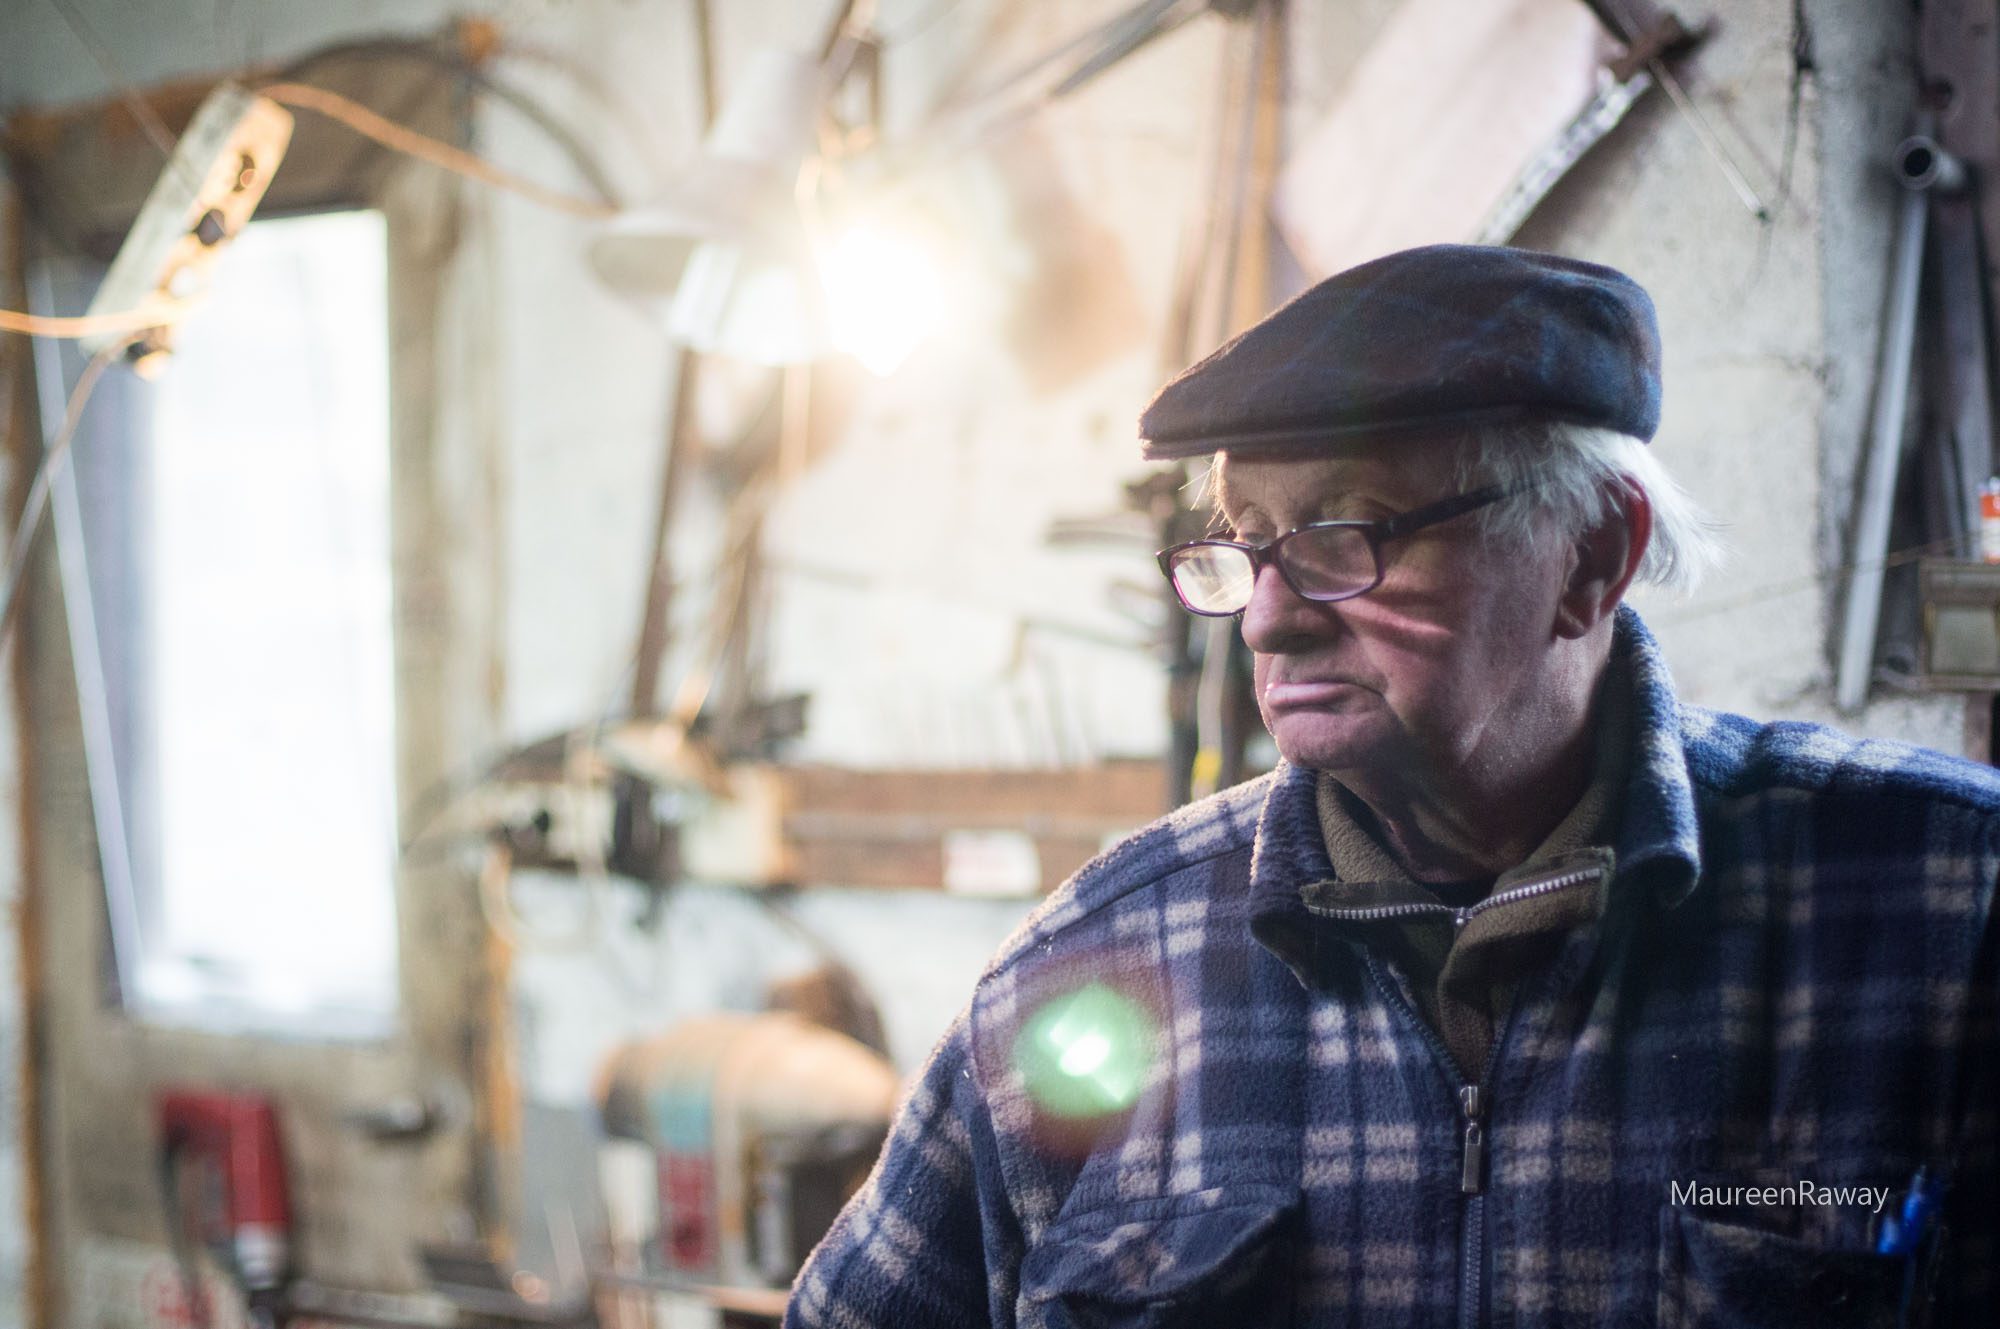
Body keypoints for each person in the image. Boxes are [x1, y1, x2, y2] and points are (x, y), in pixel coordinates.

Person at [784, 244, 1999, 1327]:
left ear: (1590, 554)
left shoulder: (1944, 908)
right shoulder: (1102, 958)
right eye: (1243, 542)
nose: (1265, 620)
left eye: (1343, 534)